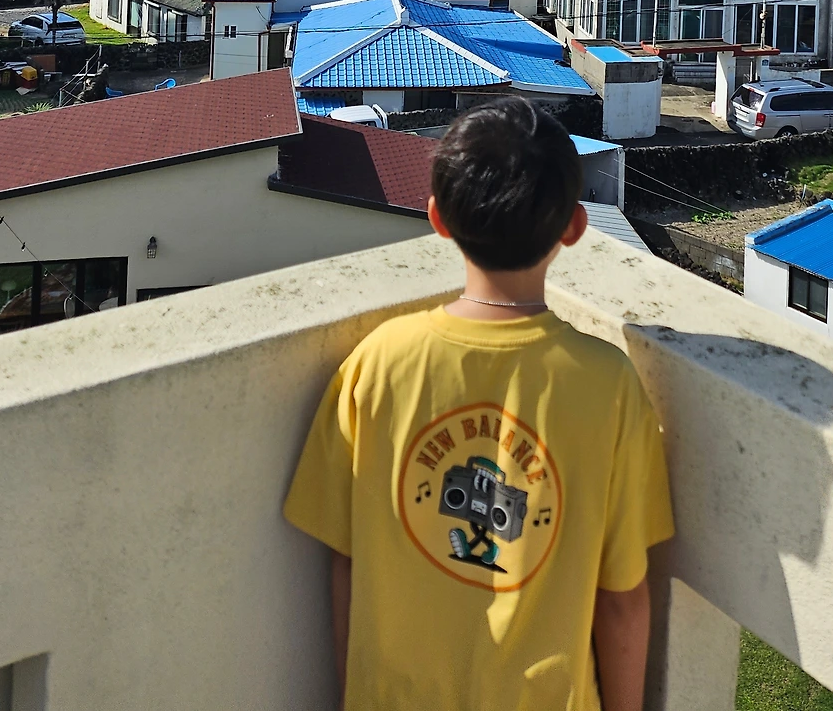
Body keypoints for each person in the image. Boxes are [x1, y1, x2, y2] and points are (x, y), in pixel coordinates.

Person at [284, 96, 674, 711]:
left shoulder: (376, 364)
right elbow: (622, 598)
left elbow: (346, 565)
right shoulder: (609, 385)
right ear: (574, 227)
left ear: (437, 218)